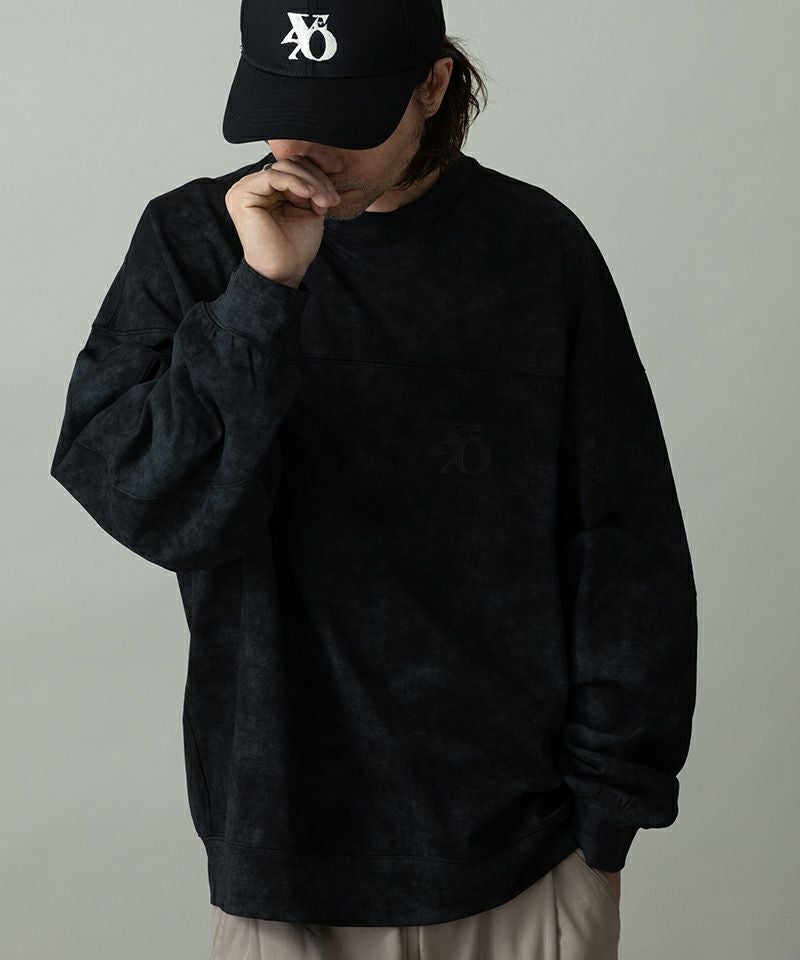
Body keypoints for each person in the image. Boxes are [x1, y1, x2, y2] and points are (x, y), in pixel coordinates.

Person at [49, 1, 698, 958]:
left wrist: (606, 822)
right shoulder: (195, 242)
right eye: (283, 112)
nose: (306, 152)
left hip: (525, 861)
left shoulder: (538, 250)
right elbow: (157, 505)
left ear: (432, 85)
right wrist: (262, 295)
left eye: (345, 118)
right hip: (281, 864)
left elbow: (625, 543)